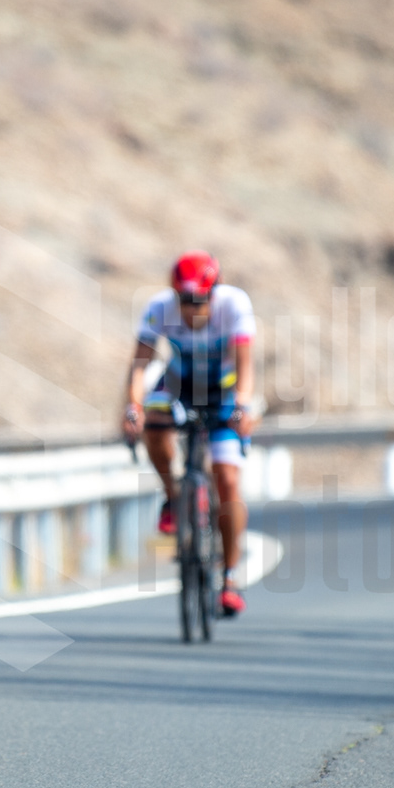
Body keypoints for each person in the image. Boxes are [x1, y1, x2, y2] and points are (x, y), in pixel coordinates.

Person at [120, 251, 258, 617]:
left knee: (227, 479)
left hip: (224, 391)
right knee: (153, 422)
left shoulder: (234, 305)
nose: (191, 308)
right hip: (179, 385)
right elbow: (139, 365)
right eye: (184, 300)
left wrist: (242, 406)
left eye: (199, 300)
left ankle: (229, 577)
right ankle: (173, 496)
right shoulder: (159, 308)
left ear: (214, 293)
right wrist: (133, 407)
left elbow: (245, 365)